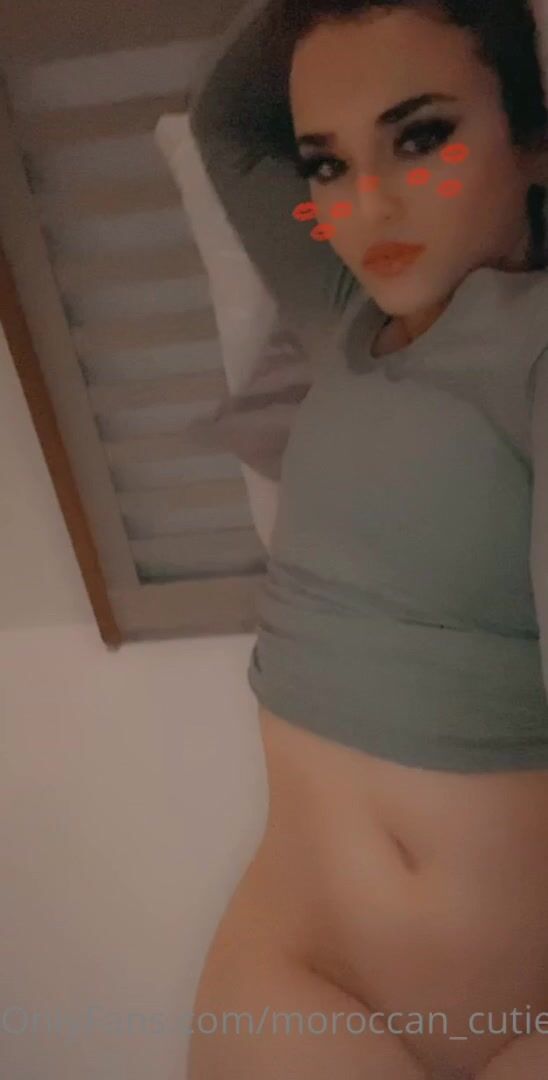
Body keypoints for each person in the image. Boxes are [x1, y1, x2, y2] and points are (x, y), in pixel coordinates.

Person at [187, 2, 548, 1077]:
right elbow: (225, 121)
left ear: (533, 142)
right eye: (327, 164)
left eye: (421, 136)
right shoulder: (338, 307)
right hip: (288, 968)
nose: (368, 202)